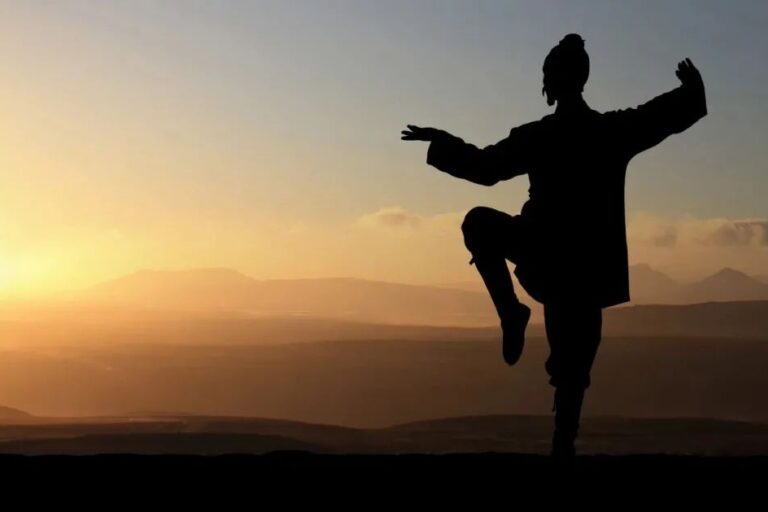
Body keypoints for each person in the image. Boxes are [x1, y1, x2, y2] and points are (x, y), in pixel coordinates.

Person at [401, 33, 707, 457]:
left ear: (550, 82)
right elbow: (660, 115)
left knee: (482, 228)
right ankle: (516, 324)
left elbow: (486, 168)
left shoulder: (543, 136)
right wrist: (691, 92)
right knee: (573, 371)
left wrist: (443, 142)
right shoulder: (609, 131)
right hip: (576, 267)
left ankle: (512, 315)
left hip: (549, 259)